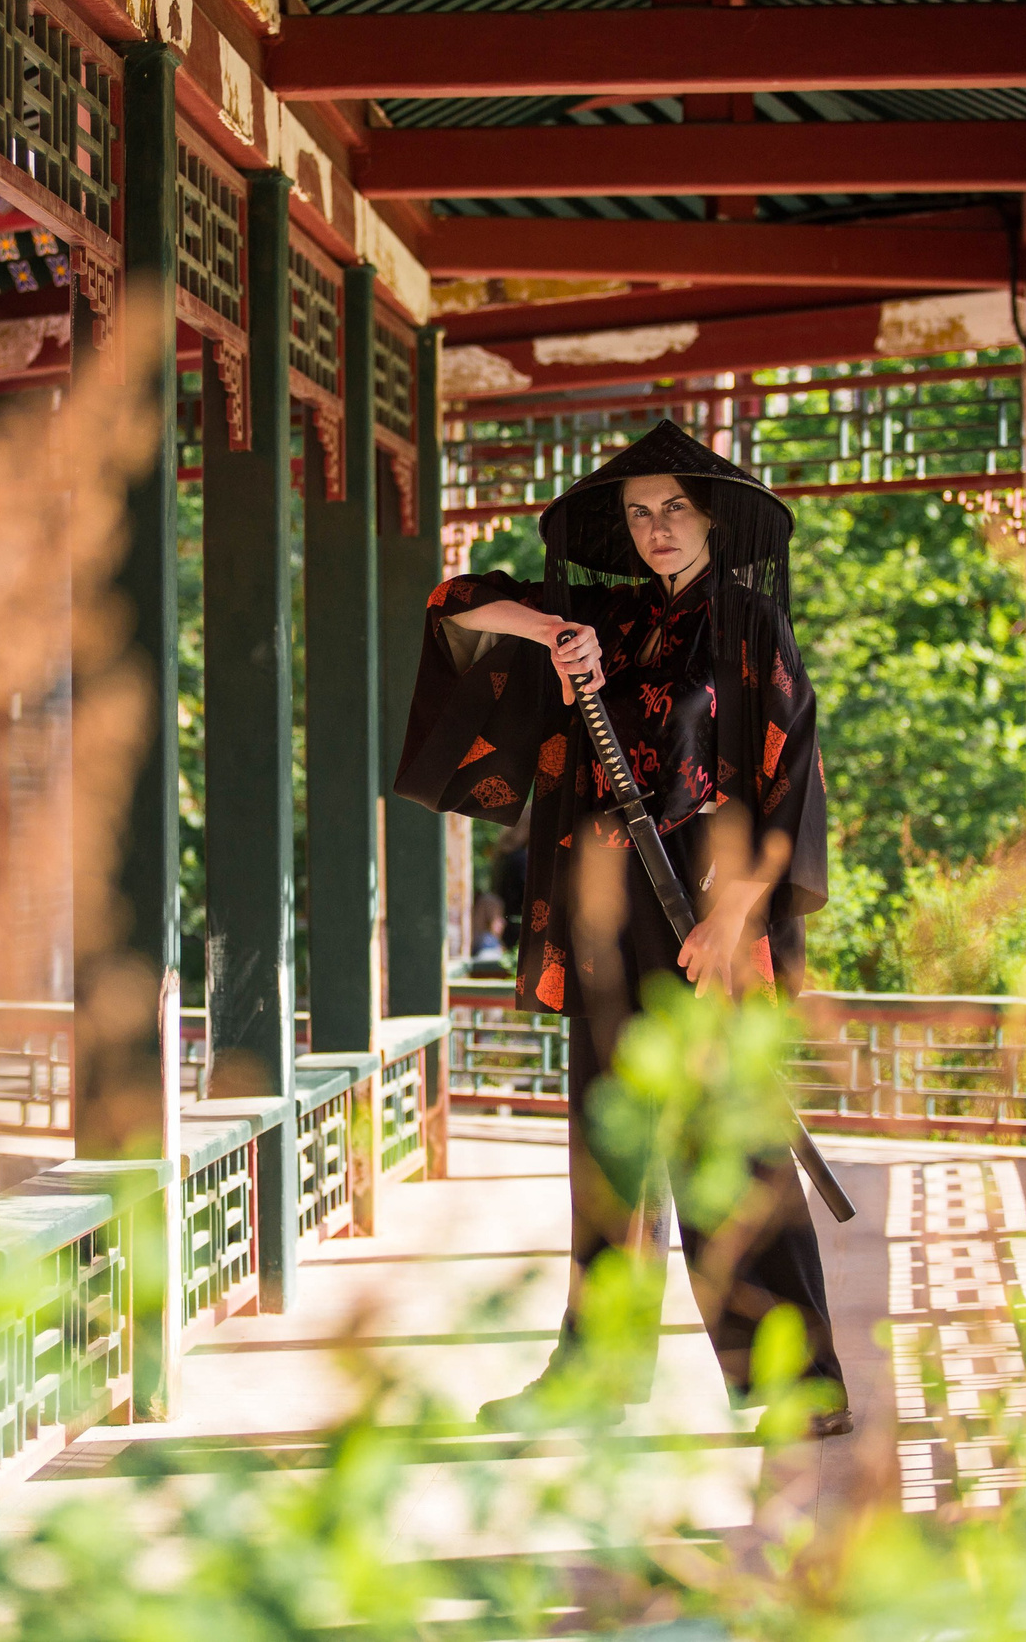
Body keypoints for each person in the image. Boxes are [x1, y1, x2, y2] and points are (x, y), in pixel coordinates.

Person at [393, 420, 849, 1438]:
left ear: (710, 518)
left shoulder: (750, 629)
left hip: (713, 918)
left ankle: (794, 1386)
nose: (656, 530)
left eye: (674, 510)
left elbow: (790, 781)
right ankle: (594, 1382)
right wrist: (546, 631)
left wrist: (735, 917)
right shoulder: (599, 614)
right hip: (602, 914)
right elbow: (450, 605)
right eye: (640, 513)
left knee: (727, 1145)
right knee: (610, 1147)